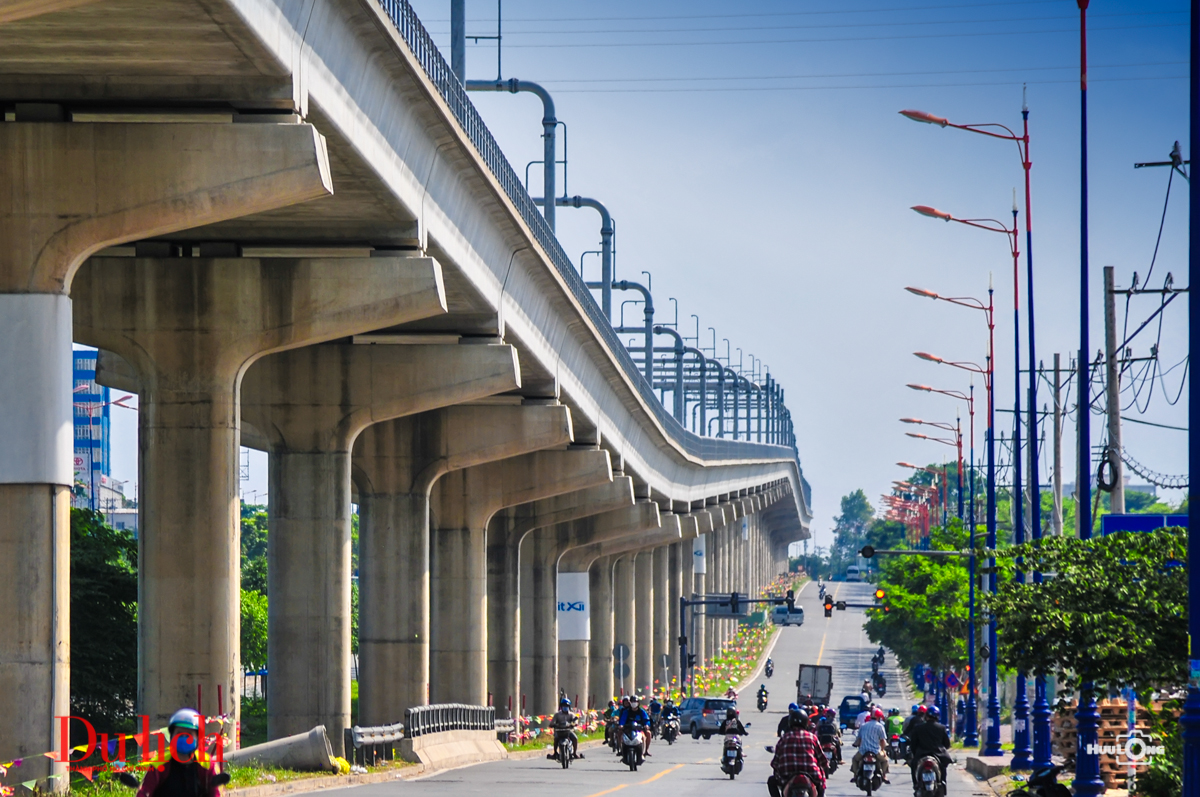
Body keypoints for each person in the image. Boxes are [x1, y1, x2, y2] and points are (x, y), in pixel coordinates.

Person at [135, 708, 224, 797]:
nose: (183, 737)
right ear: (171, 736)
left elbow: (216, 793)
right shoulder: (158, 763)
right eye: (179, 733)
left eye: (188, 734)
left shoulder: (207, 763)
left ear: (198, 738)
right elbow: (145, 791)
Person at [768, 708, 828, 797]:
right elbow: (823, 760)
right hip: (812, 775)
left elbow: (775, 763)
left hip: (787, 776)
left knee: (771, 781)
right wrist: (825, 768)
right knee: (821, 785)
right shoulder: (812, 738)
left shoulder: (784, 738)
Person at [907, 706, 952, 787]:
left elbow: (913, 744)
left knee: (914, 765)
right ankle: (943, 782)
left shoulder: (918, 728)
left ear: (926, 716)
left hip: (921, 754)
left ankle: (916, 784)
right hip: (939, 754)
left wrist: (915, 754)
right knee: (943, 766)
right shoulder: (941, 728)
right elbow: (947, 744)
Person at [849, 708, 890, 784]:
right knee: (885, 760)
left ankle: (855, 775)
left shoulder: (864, 726)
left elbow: (859, 739)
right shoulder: (880, 726)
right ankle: (884, 775)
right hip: (876, 751)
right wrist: (884, 749)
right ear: (879, 717)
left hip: (863, 751)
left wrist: (855, 744)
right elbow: (882, 741)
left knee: (855, 759)